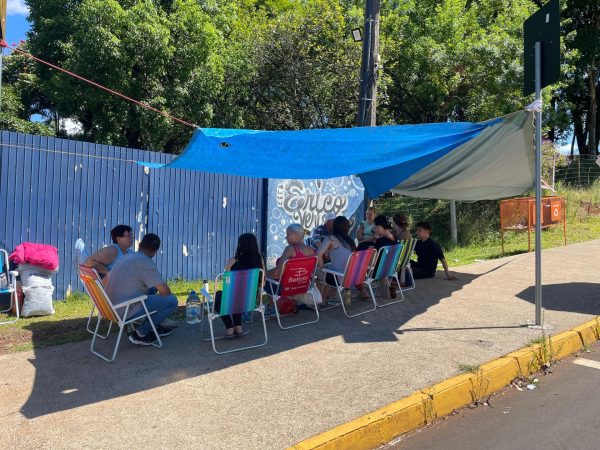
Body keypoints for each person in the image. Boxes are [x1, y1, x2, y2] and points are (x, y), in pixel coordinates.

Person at [104, 233, 178, 346]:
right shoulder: (146, 262)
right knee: (172, 301)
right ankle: (141, 333)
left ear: (139, 245)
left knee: (152, 288)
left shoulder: (126, 256)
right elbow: (165, 291)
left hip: (108, 307)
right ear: (155, 251)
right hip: (124, 310)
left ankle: (156, 323)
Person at [215, 233, 265, 337]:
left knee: (219, 295)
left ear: (240, 245)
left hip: (233, 300)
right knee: (239, 297)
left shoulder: (232, 261)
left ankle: (229, 327)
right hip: (250, 301)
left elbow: (227, 284)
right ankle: (238, 327)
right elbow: (263, 282)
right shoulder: (259, 260)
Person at [316, 216, 369, 301]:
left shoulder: (331, 238)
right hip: (355, 277)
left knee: (315, 270)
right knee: (330, 268)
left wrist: (322, 267)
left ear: (334, 226)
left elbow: (318, 254)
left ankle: (324, 299)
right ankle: (334, 295)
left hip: (341, 279)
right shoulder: (350, 241)